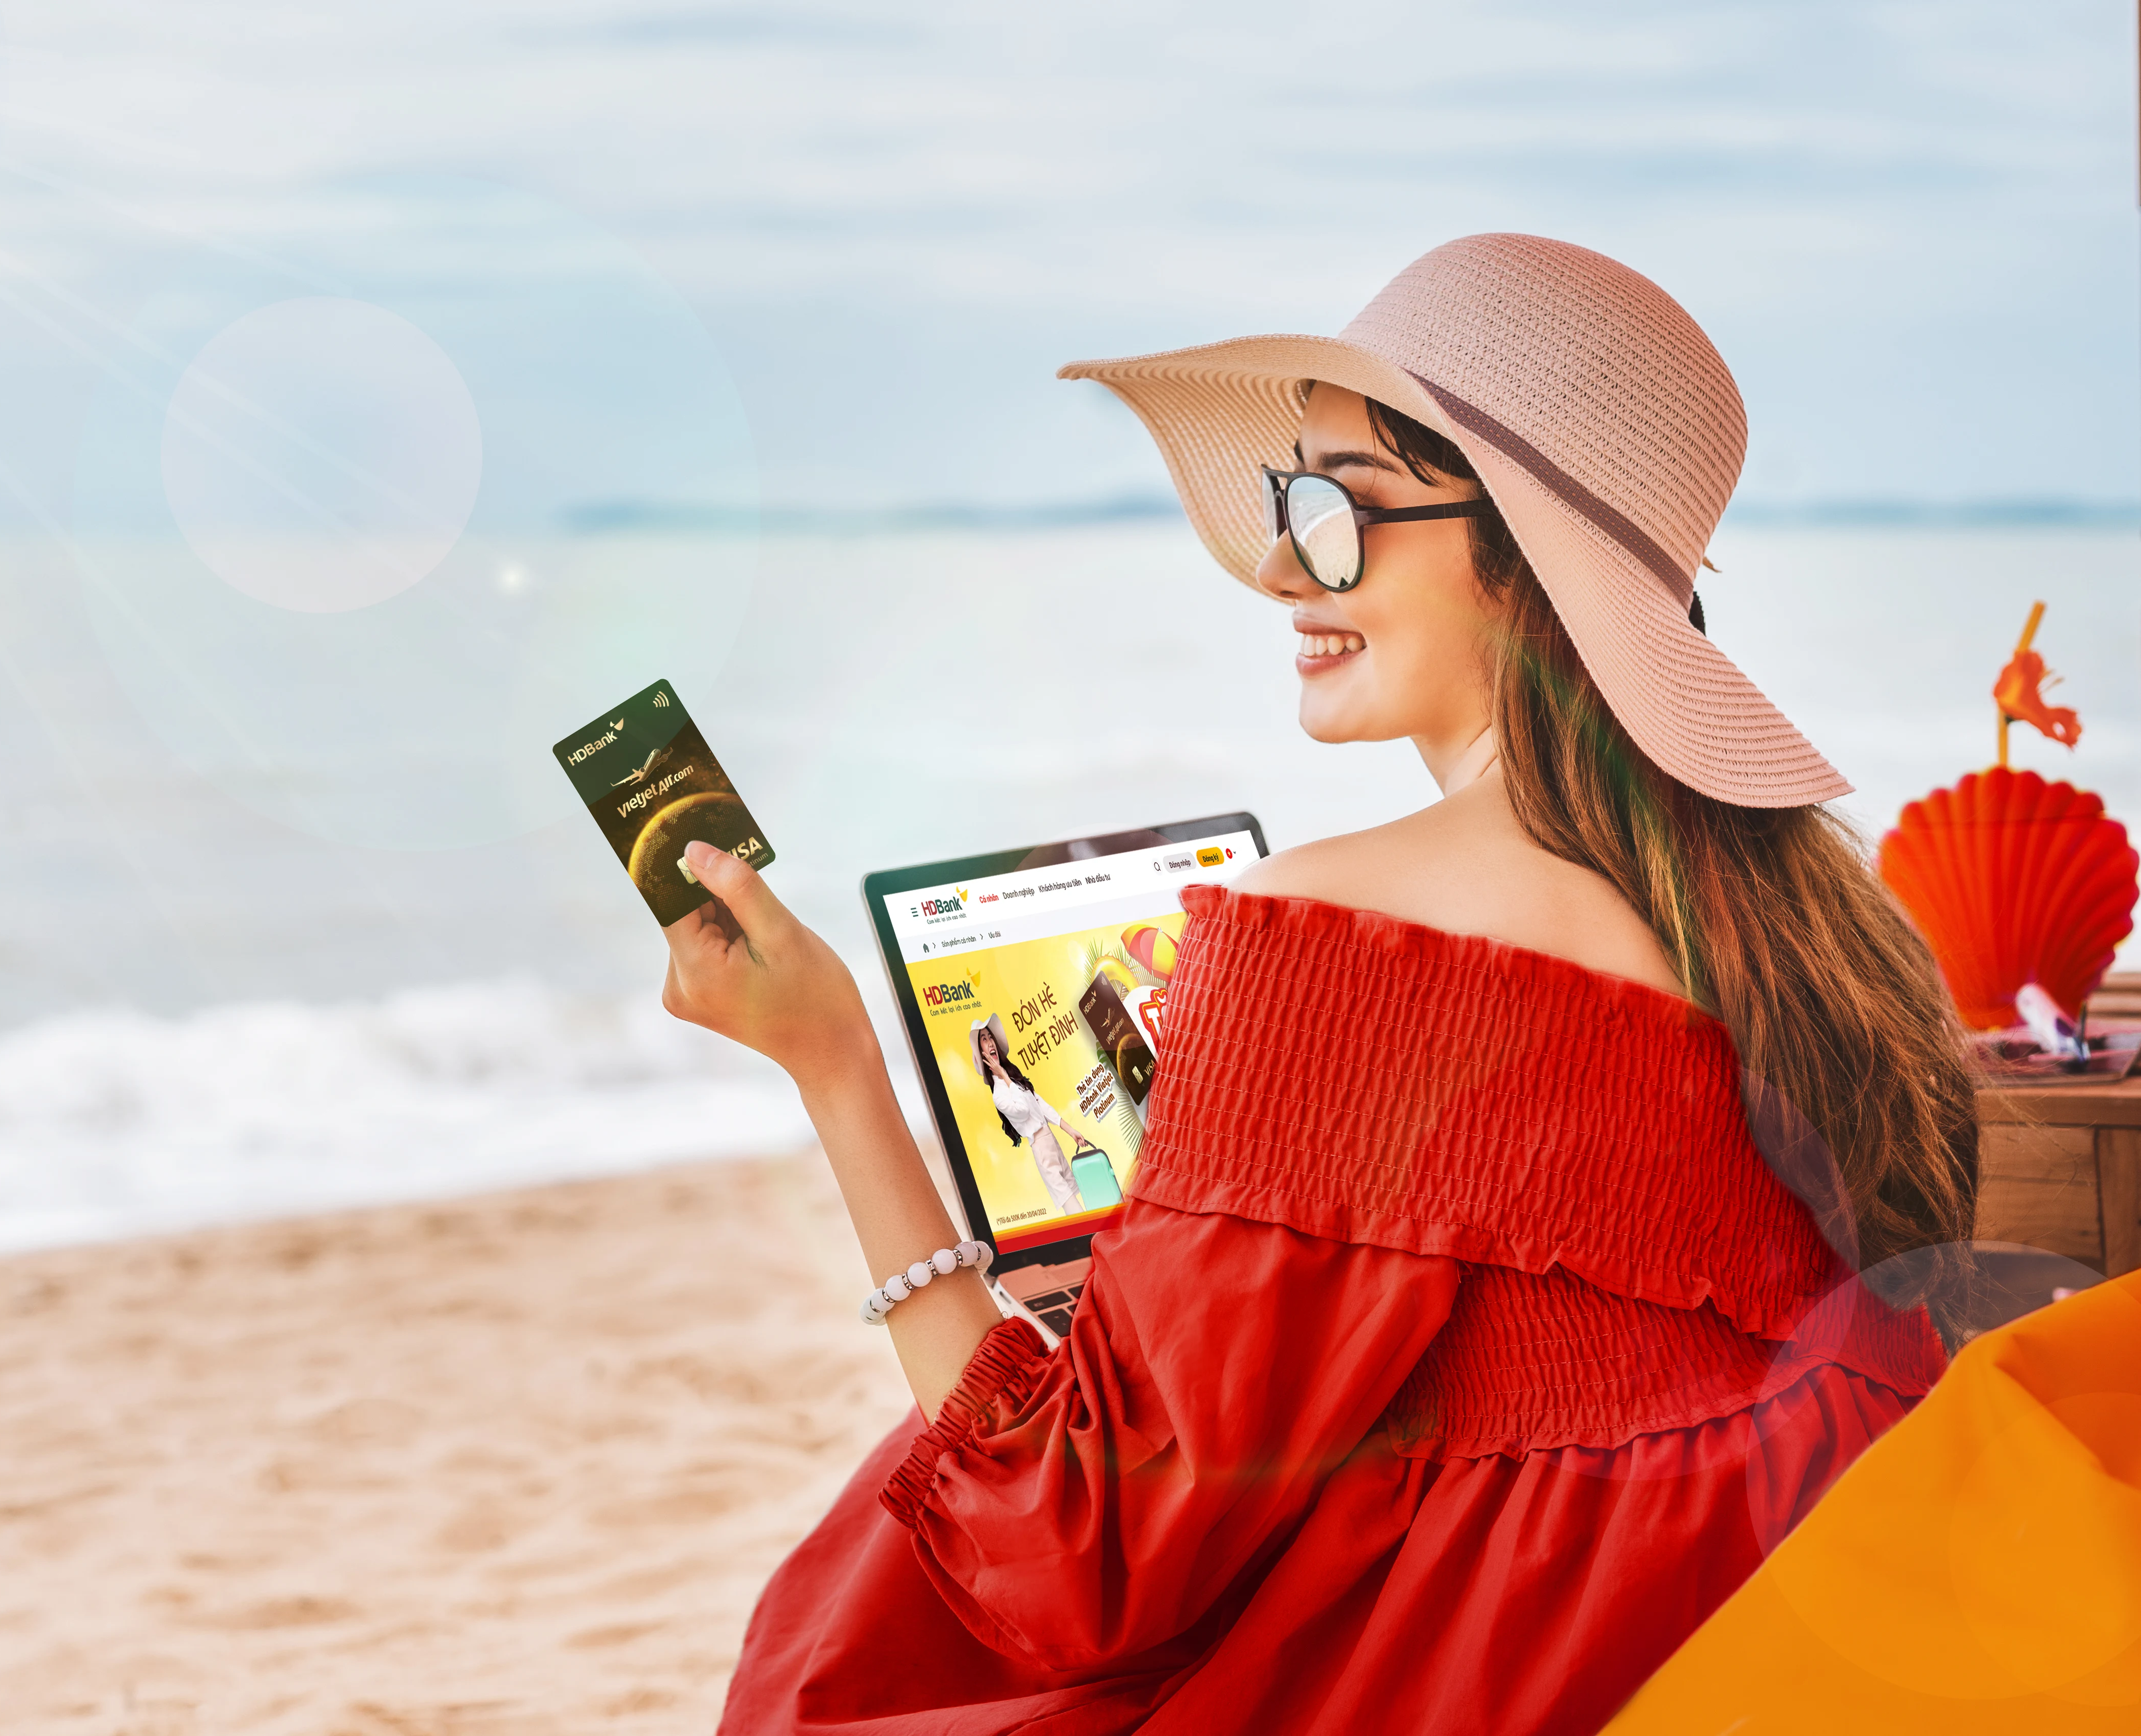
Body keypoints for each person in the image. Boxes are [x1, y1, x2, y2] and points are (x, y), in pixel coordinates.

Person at [658, 234, 1979, 1735]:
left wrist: (834, 1066)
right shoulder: (1821, 928)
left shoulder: (1343, 931)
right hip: (1772, 1628)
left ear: (1521, 553)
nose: (1284, 567)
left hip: (1523, 1669)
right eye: (1292, 505)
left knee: (868, 1608)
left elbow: (1076, 1559)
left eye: (1337, 515)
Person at [970, 1014, 1098, 1214]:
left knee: (1076, 1193)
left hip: (1050, 1139)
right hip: (1040, 1145)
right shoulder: (1000, 1095)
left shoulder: (1014, 1078)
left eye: (990, 1037)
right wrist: (1003, 1076)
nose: (990, 1042)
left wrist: (1070, 1130)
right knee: (1071, 1204)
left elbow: (1040, 1105)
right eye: (984, 1040)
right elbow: (1023, 1110)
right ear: (981, 1053)